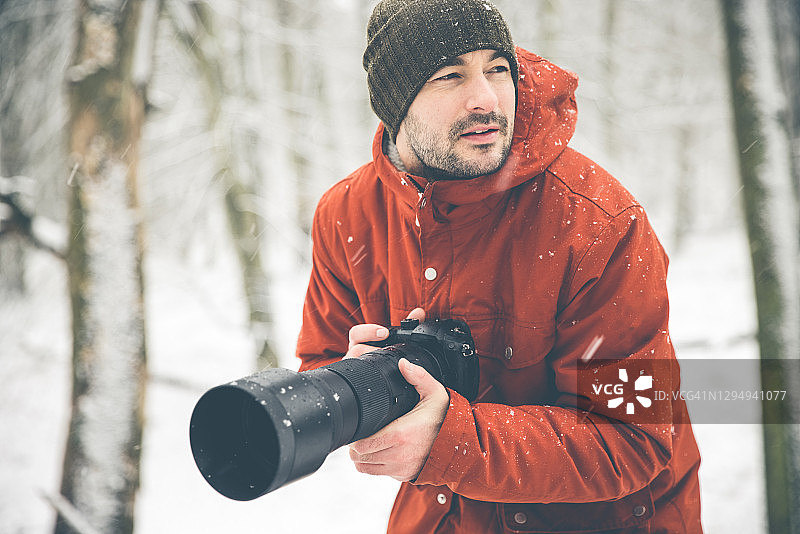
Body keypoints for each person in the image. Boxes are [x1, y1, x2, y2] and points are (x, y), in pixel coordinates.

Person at [295, 0, 703, 532]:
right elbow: (320, 371)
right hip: (442, 517)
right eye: (449, 75)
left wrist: (451, 443)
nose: (486, 99)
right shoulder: (348, 213)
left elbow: (636, 440)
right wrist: (359, 382)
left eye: (498, 69)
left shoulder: (598, 221)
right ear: (395, 103)